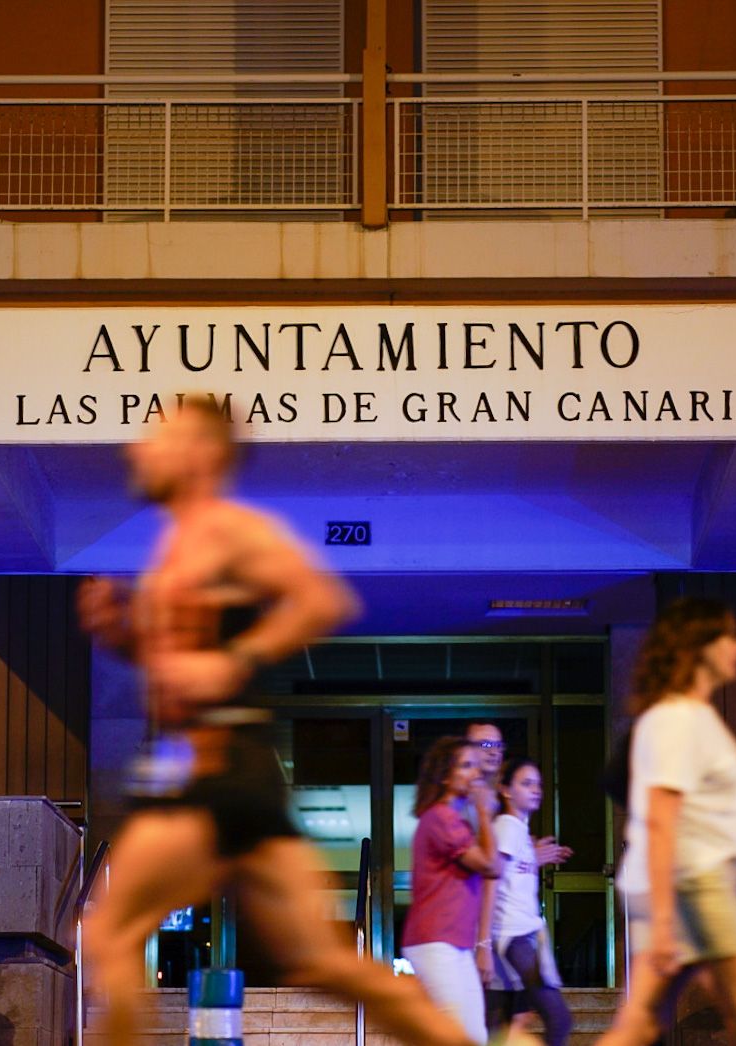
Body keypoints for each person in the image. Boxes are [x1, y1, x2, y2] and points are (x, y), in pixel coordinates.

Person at [79, 396, 480, 1046]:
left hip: (219, 771)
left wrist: (236, 657)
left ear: (204, 452)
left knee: (111, 933)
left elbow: (321, 597)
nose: (137, 449)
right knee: (319, 961)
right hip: (223, 774)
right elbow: (183, 669)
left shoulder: (230, 529)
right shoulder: (174, 543)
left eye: (158, 437)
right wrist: (122, 634)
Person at [597, 597, 736, 1046]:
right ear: (699, 646)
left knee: (638, 1025)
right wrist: (668, 919)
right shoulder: (677, 719)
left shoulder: (680, 716)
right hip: (693, 879)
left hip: (679, 881)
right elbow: (659, 819)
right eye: (727, 637)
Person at [404, 735, 502, 1044]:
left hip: (454, 944)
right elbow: (491, 865)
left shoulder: (455, 820)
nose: (476, 774)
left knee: (474, 1035)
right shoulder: (441, 818)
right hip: (435, 942)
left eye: (476, 766)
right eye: (466, 766)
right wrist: (485, 813)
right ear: (445, 775)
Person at [491, 756, 573, 1046]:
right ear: (506, 790)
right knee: (559, 1018)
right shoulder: (508, 826)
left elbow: (511, 875)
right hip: (514, 936)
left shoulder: (518, 830)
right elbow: (492, 878)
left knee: (511, 1025)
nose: (536, 789)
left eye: (538, 784)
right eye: (526, 783)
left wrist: (533, 856)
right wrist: (482, 942)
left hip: (524, 934)